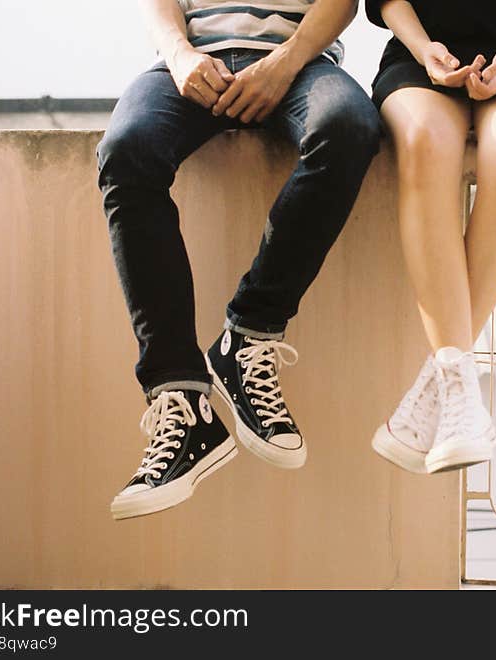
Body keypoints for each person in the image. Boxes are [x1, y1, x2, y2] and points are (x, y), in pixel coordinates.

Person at [97, 0, 381, 520]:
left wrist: (286, 61)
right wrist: (180, 54)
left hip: (300, 65)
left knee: (349, 127)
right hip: (188, 64)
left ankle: (248, 333)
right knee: (125, 148)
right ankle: (182, 400)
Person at [366, 0, 496, 474]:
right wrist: (426, 51)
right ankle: (457, 390)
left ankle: (443, 383)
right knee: (424, 139)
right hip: (420, 60)